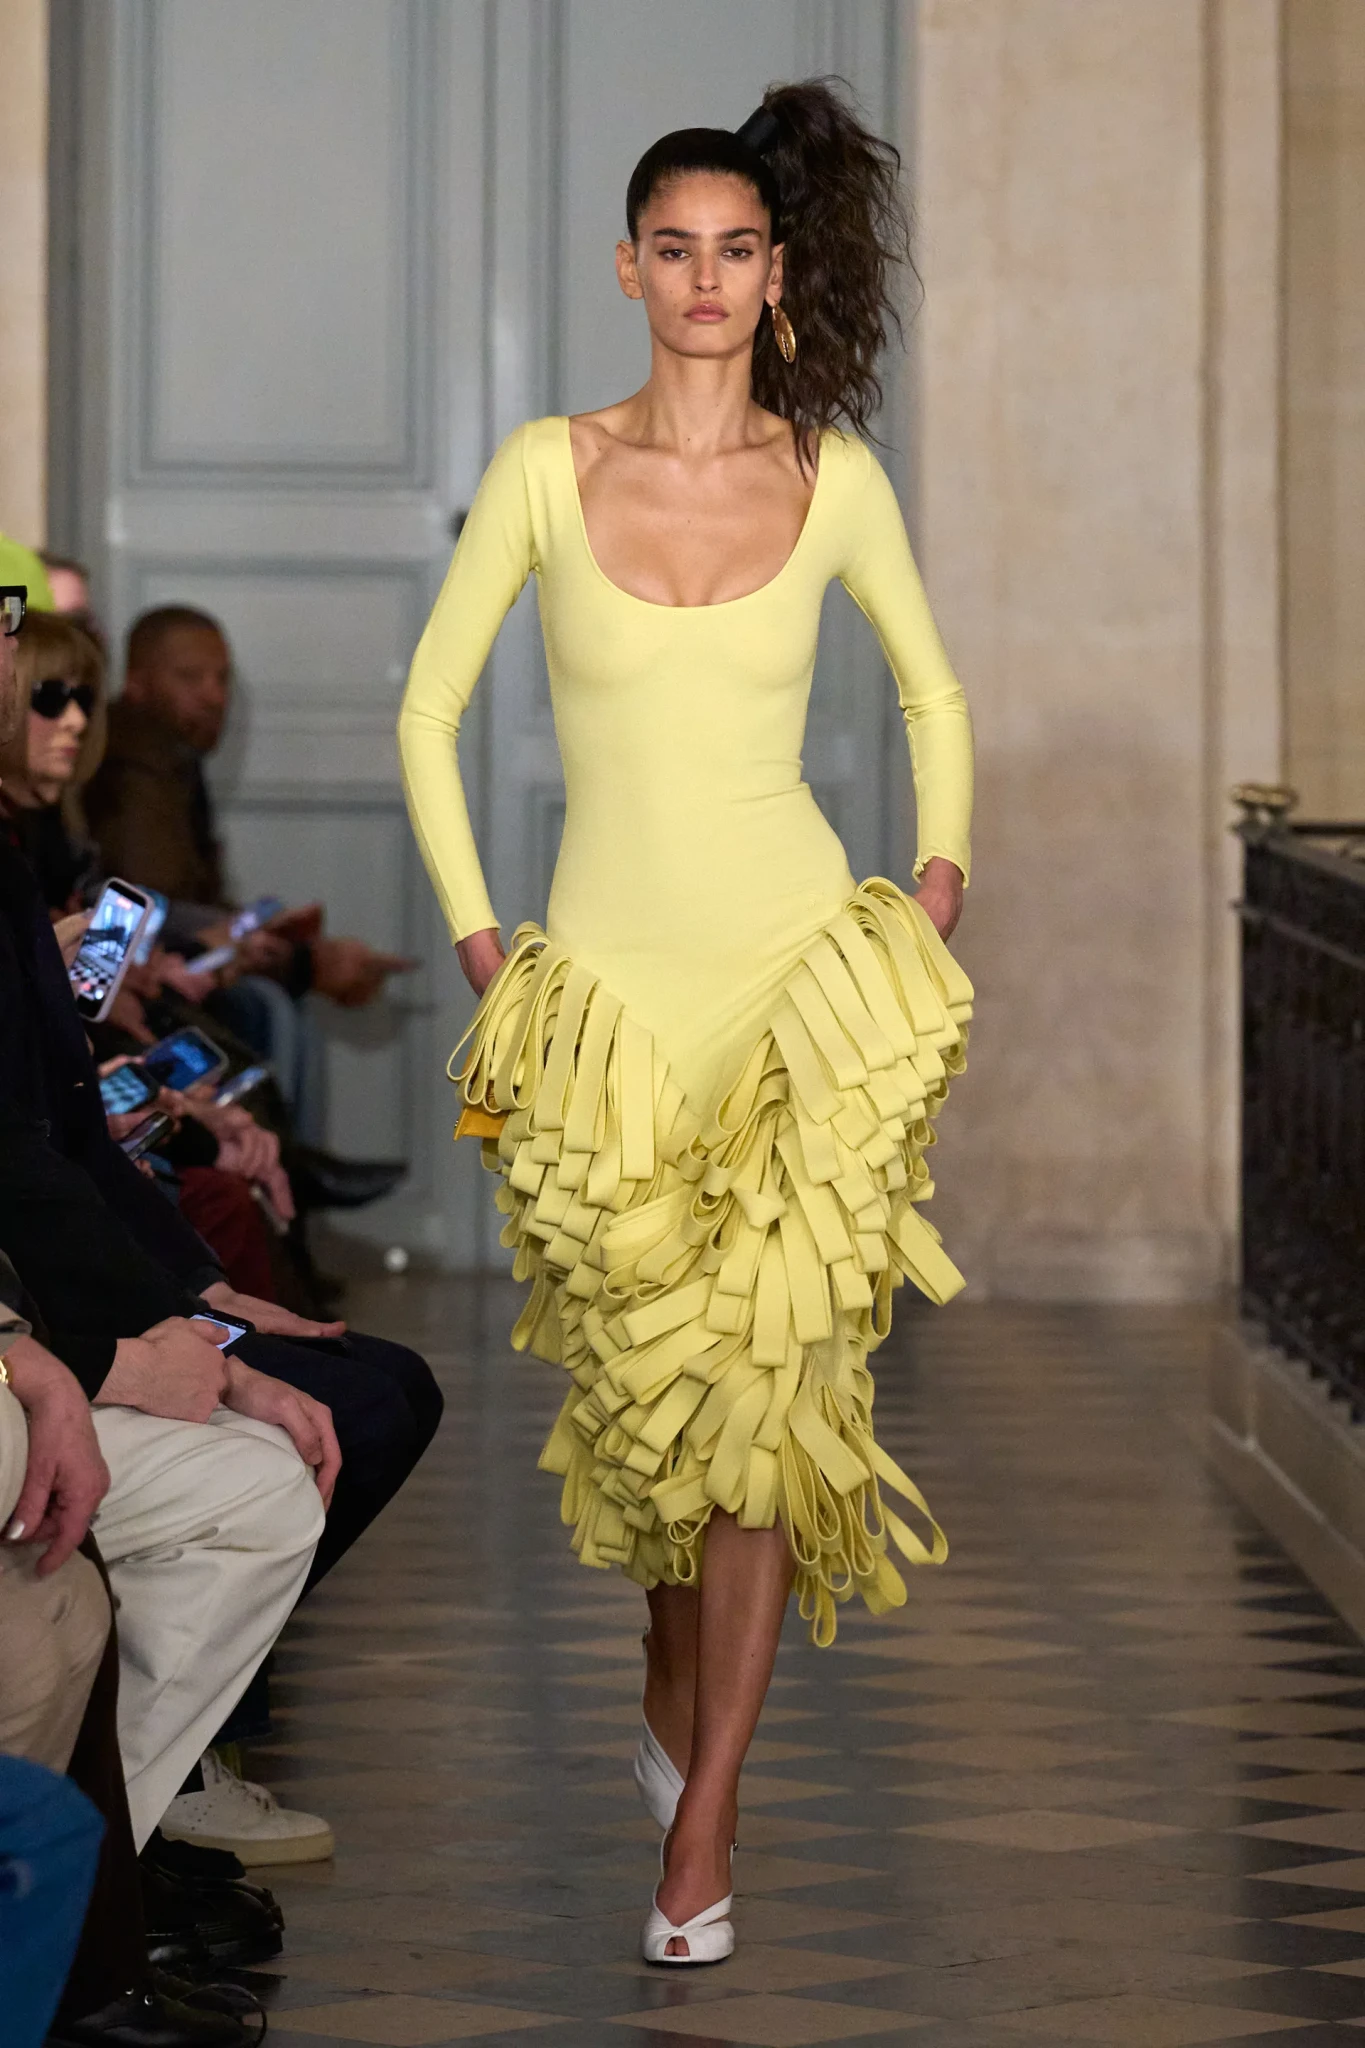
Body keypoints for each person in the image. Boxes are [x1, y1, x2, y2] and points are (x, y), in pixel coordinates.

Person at [399, 81, 974, 1965]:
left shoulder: (834, 478)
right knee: (654, 1419)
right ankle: (676, 1694)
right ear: (627, 269)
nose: (707, 279)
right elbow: (427, 711)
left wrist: (938, 878)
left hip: (799, 992)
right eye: (675, 249)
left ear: (776, 271)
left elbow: (934, 694)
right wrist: (483, 941)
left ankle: (705, 1820)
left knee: (769, 1406)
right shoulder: (545, 469)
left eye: (738, 249)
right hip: (606, 1013)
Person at [0, 585, 444, 1866]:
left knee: (356, 1392)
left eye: (76, 693)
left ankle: (106, 1862)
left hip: (51, 1294)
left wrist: (195, 1295)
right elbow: (30, 1154)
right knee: (311, 1429)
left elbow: (67, 1128)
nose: (67, 717)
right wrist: (129, 1345)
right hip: (43, 1306)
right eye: (47, 688)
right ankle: (107, 1860)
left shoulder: (35, 852)